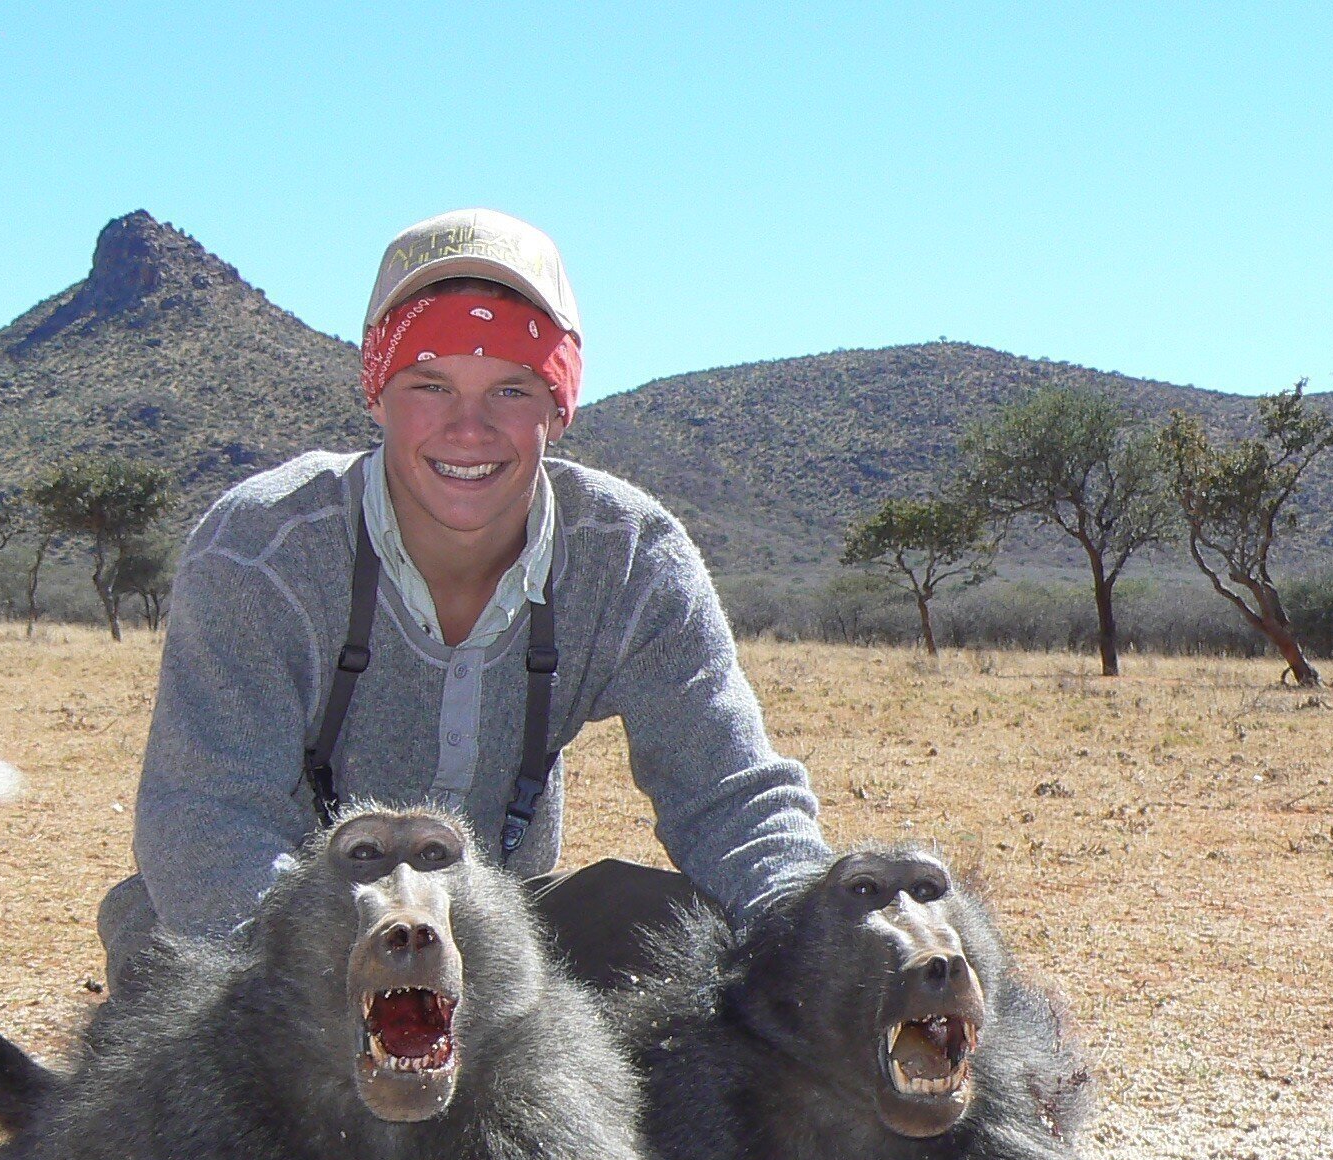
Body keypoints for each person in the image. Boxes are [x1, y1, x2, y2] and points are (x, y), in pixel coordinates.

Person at [101, 208, 828, 982]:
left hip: (502, 934)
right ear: (378, 394)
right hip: (299, 936)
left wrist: (818, 930)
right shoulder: (261, 549)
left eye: (512, 389)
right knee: (170, 957)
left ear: (558, 406)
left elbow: (726, 791)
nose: (470, 429)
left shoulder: (630, 557)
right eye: (432, 384)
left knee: (679, 930)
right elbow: (206, 816)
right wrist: (350, 978)